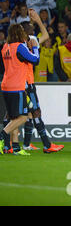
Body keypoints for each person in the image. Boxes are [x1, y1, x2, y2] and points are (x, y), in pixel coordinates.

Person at [20, 16, 64, 153]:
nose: (34, 33)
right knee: (35, 112)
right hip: (27, 83)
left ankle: (26, 144)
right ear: (28, 32)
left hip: (19, 82)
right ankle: (47, 144)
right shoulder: (30, 43)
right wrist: (39, 20)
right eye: (32, 30)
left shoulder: (16, 44)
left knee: (26, 114)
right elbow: (45, 36)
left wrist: (36, 21)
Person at [0, 23, 40, 155]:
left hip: (6, 85)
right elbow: (35, 60)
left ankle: (15, 147)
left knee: (13, 118)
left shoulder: (5, 47)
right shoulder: (19, 47)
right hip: (17, 87)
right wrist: (34, 47)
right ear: (19, 33)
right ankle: (2, 135)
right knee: (23, 117)